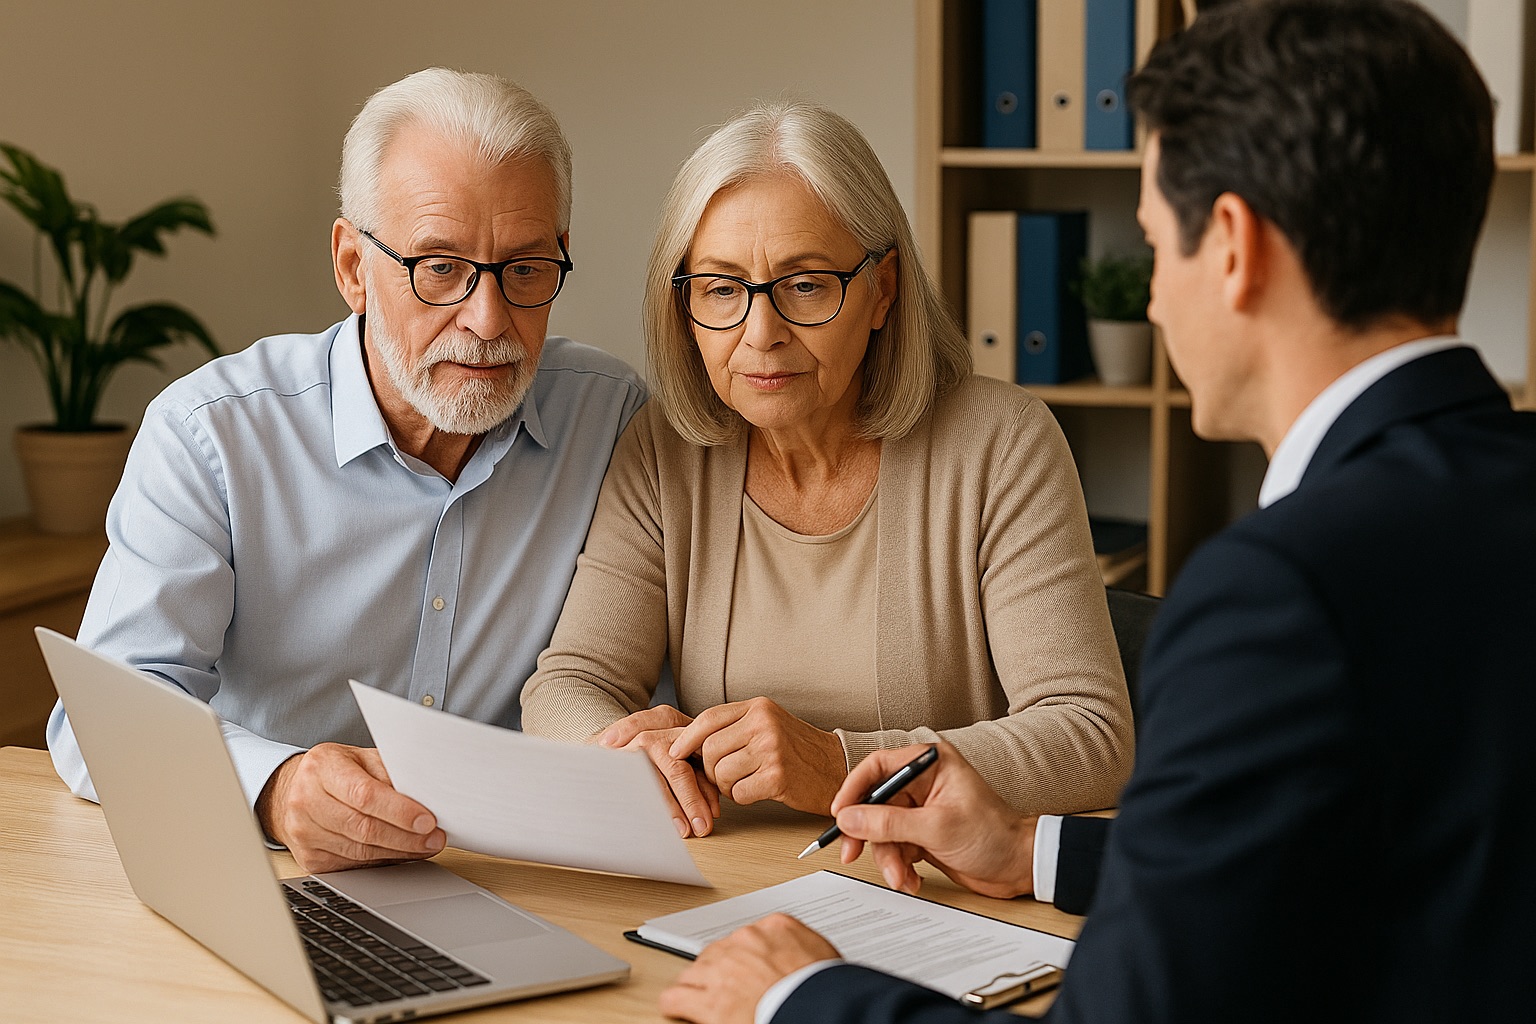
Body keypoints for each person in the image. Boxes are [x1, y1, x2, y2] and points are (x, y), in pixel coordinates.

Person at [656, 1, 1536, 1022]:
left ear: (1237, 248)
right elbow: (1397, 861)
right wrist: (1038, 848)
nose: (1154, 301)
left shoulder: (1277, 595)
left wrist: (796, 995)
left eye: (1158, 245)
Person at [46, 68, 646, 874]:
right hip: (268, 877)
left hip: (524, 882)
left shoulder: (611, 421)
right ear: (353, 267)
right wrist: (275, 787)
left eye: (526, 269)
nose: (488, 319)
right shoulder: (212, 436)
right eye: (440, 267)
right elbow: (99, 721)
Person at [520, 101, 1134, 840]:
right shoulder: (664, 449)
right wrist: (615, 751)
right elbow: (568, 683)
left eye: (806, 284)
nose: (761, 333)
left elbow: (1091, 736)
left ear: (883, 290)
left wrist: (841, 764)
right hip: (727, 884)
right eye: (720, 289)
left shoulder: (1001, 444)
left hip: (932, 893)